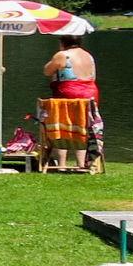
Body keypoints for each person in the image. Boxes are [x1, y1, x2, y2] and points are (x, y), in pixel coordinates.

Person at [42, 30, 103, 172]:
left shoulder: (62, 55)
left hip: (68, 93)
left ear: (63, 42)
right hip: (90, 95)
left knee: (62, 125)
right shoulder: (88, 56)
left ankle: (62, 164)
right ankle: (81, 164)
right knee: (82, 126)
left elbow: (47, 71)